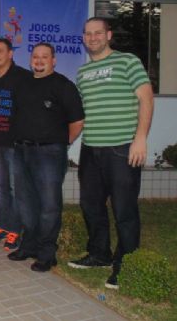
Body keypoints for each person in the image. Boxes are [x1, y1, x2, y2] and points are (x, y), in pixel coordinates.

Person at [69, 18, 154, 290]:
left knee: (124, 210)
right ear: (83, 38)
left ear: (108, 35)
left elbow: (146, 98)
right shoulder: (82, 72)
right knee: (90, 205)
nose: (92, 37)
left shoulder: (128, 61)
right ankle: (100, 254)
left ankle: (125, 263)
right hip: (91, 149)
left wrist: (140, 138)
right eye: (88, 33)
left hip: (121, 148)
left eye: (98, 33)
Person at [8, 43, 84, 272]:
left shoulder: (63, 85)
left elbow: (77, 122)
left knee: (49, 205)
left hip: (49, 154)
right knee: (25, 203)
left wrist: (59, 143)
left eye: (45, 57)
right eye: (36, 56)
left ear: (54, 60)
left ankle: (47, 253)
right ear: (30, 59)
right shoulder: (22, 84)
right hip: (21, 151)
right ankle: (28, 245)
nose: (39, 61)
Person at [0, 38, 31, 250]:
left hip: (15, 144)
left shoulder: (23, 77)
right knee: (1, 187)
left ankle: (16, 231)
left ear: (10, 53)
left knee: (16, 188)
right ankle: (2, 226)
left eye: (0, 51)